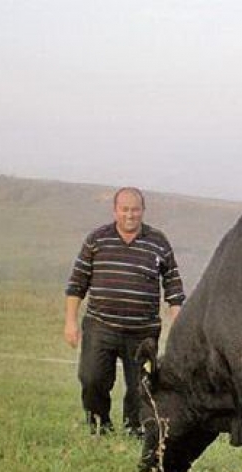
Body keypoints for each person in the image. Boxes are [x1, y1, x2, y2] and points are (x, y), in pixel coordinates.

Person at [64, 186, 185, 436]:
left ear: (143, 211)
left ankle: (135, 430)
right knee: (92, 378)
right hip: (101, 326)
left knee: (140, 386)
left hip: (143, 331)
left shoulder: (158, 242)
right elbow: (77, 283)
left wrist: (178, 324)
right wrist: (70, 322)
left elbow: (173, 285)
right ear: (115, 210)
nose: (130, 215)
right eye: (125, 209)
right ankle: (99, 427)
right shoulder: (97, 240)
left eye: (135, 210)